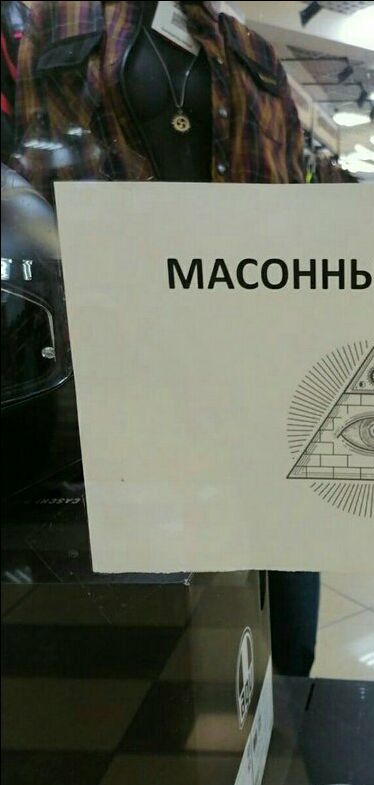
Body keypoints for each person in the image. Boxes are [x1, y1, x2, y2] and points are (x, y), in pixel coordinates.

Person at [9, 0, 320, 675]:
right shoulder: (58, 21)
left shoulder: (251, 52)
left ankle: (292, 698)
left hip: (253, 353)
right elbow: (34, 187)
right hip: (121, 363)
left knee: (286, 554)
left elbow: (291, 216)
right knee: (164, 596)